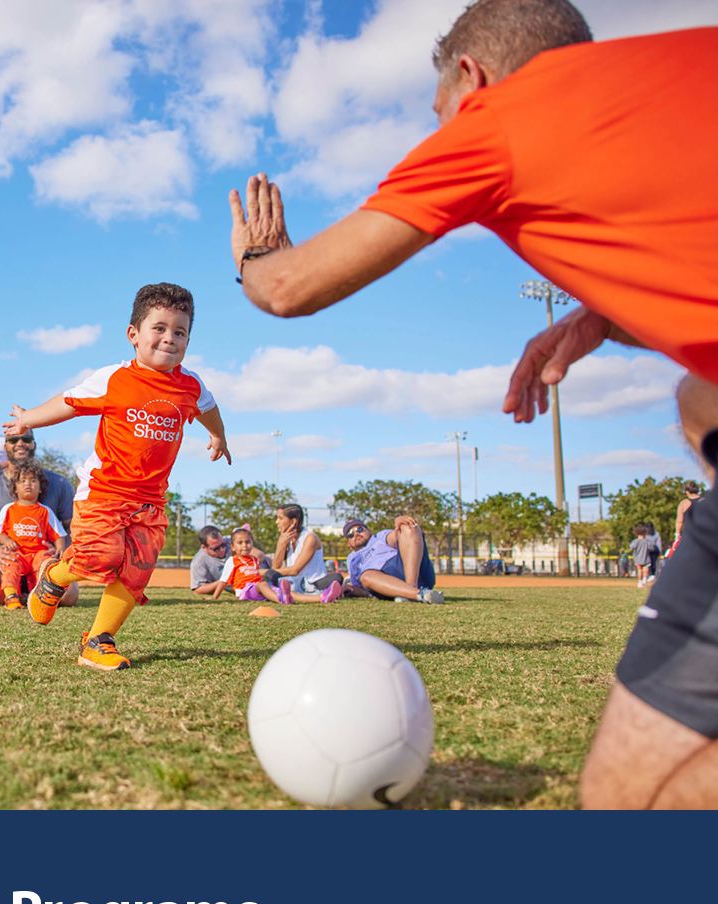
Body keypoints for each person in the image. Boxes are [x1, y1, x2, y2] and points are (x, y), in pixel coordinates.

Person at [227, 2, 718, 806]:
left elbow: (287, 289)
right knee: (700, 398)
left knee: (635, 799)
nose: (440, 129)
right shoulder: (681, 64)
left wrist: (254, 258)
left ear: (471, 76)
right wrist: (600, 317)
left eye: (438, 113)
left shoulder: (501, 120)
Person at [4, 282, 231, 671]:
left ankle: (98, 640)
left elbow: (209, 407)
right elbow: (69, 402)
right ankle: (55, 577)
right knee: (101, 558)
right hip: (104, 492)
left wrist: (218, 435)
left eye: (180, 332)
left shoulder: (191, 385)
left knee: (136, 570)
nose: (169, 338)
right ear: (133, 334)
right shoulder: (114, 378)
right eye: (159, 328)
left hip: (151, 500)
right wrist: (28, 419)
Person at [0, 428, 79, 609]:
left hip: (42, 555)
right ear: (5, 446)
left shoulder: (60, 484)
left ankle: (31, 593)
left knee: (67, 595)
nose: (20, 443)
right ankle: (14, 594)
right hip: (5, 556)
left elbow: (73, 528)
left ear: (34, 444)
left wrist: (60, 551)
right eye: (13, 440)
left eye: (26, 439)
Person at [0, 461, 66, 610]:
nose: (28, 484)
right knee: (10, 566)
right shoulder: (8, 509)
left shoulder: (45, 511)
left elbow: (58, 534)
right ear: (15, 488)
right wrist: (6, 540)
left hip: (38, 552)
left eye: (33, 481)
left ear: (40, 488)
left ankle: (42, 597)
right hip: (17, 553)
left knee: (45, 565)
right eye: (22, 481)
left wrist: (60, 550)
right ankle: (11, 597)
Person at [344, 518, 444, 604]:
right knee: (366, 576)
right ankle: (418, 594)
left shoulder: (379, 537)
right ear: (349, 544)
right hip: (382, 584)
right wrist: (348, 589)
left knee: (408, 526)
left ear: (370, 532)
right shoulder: (352, 559)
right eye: (350, 534)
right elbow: (363, 590)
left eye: (360, 529)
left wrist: (400, 522)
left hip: (410, 570)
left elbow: (398, 535)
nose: (356, 534)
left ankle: (411, 589)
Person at [265, 504, 336, 597]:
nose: (276, 522)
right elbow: (275, 567)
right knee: (269, 578)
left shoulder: (310, 538)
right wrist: (280, 544)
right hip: (295, 583)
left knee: (270, 576)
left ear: (293, 521)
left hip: (314, 583)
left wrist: (265, 572)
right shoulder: (288, 540)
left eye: (280, 518)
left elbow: (295, 570)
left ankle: (323, 595)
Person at [212, 526, 283, 605]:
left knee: (278, 589)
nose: (244, 545)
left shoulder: (254, 559)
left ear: (252, 544)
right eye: (240, 542)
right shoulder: (232, 560)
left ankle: (290, 597)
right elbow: (223, 581)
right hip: (244, 591)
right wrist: (214, 597)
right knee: (263, 585)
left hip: (257, 587)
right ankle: (281, 600)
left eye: (247, 542)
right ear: (233, 547)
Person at [190, 524, 267, 596]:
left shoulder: (230, 540)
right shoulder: (198, 561)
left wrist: (248, 568)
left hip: (266, 565)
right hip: (251, 588)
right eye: (216, 548)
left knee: (271, 572)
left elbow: (260, 554)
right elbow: (198, 589)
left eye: (223, 544)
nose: (222, 549)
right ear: (204, 547)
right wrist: (224, 580)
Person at [629, 525, 651, 589]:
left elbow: (631, 548)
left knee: (639, 570)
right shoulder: (646, 541)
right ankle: (645, 580)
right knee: (646, 570)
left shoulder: (635, 541)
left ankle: (640, 582)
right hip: (646, 558)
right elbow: (651, 548)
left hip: (637, 558)